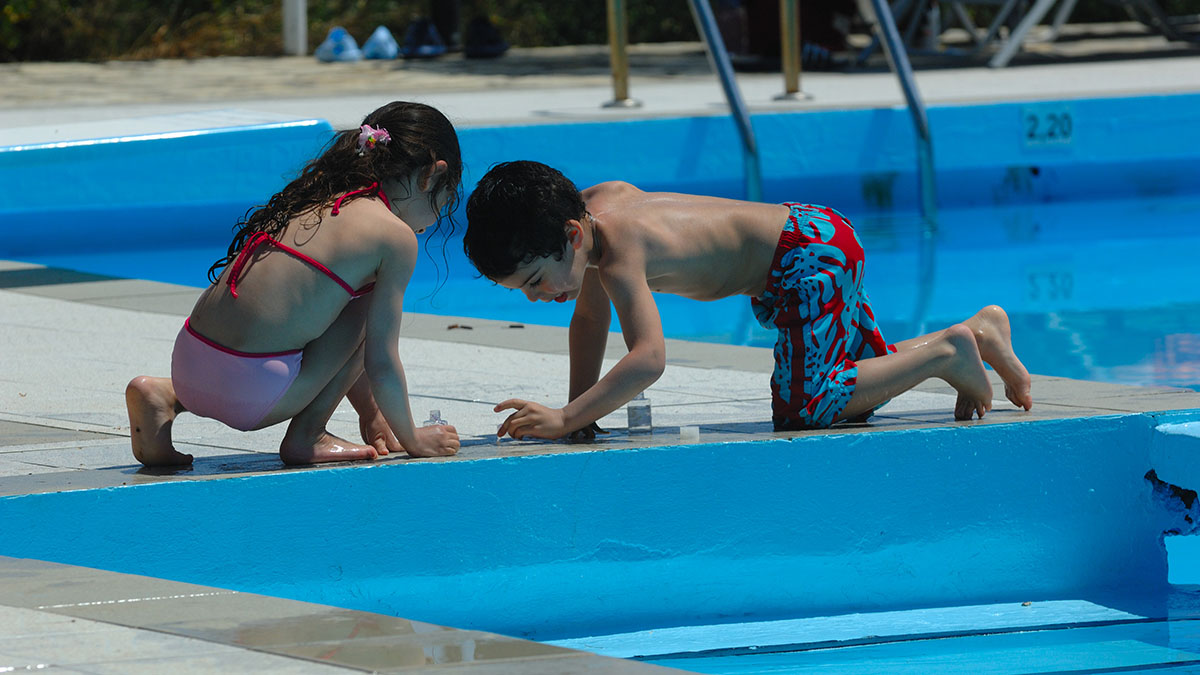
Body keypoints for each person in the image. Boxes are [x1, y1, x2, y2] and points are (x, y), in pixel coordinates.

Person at [463, 161, 1034, 440]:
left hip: (805, 260)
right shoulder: (592, 210)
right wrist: (580, 417)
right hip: (814, 232)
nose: (538, 298)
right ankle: (980, 332)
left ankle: (948, 352)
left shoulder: (617, 252)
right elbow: (590, 319)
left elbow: (648, 358)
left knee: (805, 408)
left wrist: (567, 417)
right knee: (857, 378)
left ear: (570, 235)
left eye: (535, 280)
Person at [125, 101, 463, 467]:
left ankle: (163, 395)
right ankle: (308, 434)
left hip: (188, 367)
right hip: (250, 393)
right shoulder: (394, 237)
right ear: (432, 175)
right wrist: (413, 438)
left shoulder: (315, 199)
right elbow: (379, 359)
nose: (433, 221)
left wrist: (372, 415)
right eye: (446, 200)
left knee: (342, 299)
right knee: (366, 306)